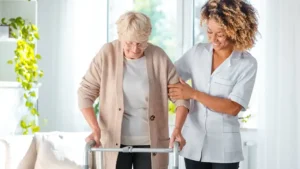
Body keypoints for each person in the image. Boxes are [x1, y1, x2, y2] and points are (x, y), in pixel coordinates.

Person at [77, 11, 189, 169]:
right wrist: (95, 128)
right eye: (129, 43)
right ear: (120, 37)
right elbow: (85, 93)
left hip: (152, 144)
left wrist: (177, 129)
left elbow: (181, 96)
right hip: (113, 143)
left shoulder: (159, 57)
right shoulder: (107, 54)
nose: (136, 49)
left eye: (141, 43)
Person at [168, 0, 259, 169]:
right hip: (193, 141)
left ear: (235, 31)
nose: (213, 39)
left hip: (224, 148)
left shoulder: (247, 64)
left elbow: (233, 107)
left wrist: (193, 94)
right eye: (209, 32)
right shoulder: (197, 52)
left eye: (220, 34)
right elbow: (169, 76)